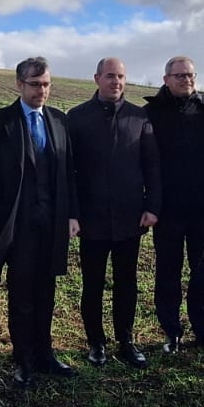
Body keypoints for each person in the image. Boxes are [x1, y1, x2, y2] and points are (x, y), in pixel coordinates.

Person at [0, 56, 79, 386]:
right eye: (35, 85)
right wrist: (2, 215)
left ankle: (44, 353)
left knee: (46, 290)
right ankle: (22, 359)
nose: (42, 91)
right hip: (17, 225)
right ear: (19, 85)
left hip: (53, 222)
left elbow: (69, 173)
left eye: (46, 84)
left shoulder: (60, 121)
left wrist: (72, 214)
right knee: (21, 292)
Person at [65, 58, 160, 368]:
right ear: (96, 78)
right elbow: (69, 172)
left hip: (129, 217)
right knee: (92, 284)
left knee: (126, 283)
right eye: (109, 76)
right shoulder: (76, 118)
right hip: (90, 219)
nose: (115, 81)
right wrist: (73, 213)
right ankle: (96, 343)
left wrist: (152, 206)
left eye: (120, 76)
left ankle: (127, 341)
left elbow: (152, 166)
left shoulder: (139, 116)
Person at [144, 56, 204, 360]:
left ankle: (203, 329)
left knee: (202, 272)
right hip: (166, 209)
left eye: (190, 75)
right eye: (179, 75)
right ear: (166, 79)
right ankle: (170, 330)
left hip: (202, 209)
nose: (185, 80)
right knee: (168, 271)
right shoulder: (150, 113)